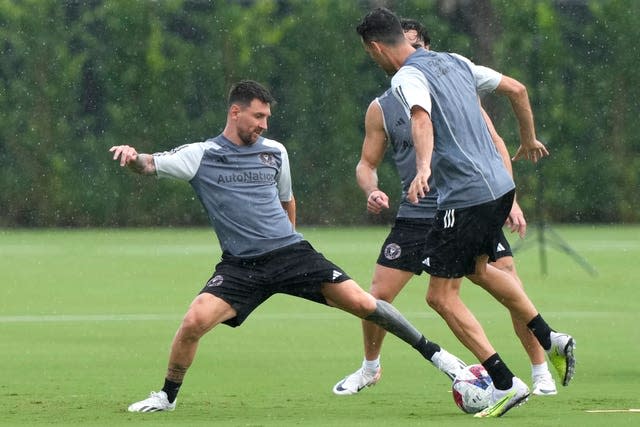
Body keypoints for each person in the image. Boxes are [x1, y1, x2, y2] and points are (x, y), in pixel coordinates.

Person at [111, 80, 468, 413]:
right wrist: (131, 157)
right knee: (194, 321)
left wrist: (288, 245)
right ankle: (166, 397)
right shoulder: (201, 155)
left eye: (267, 117)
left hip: (291, 255)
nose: (264, 124)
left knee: (364, 303)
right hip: (241, 266)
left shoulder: (276, 153)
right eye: (258, 116)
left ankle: (442, 360)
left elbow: (287, 200)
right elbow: (149, 164)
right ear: (235, 113)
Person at [356, 9, 576, 418]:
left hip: (464, 196)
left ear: (375, 47)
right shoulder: (455, 60)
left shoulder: (405, 77)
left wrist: (423, 168)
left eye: (372, 55)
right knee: (480, 270)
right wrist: (527, 139)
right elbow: (518, 89)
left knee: (440, 296)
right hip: (499, 188)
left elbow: (421, 119)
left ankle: (506, 383)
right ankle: (551, 337)